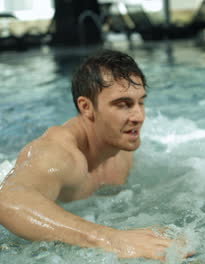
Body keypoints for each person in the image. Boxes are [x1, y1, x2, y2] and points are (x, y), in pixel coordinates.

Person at [0, 50, 177, 260]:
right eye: (123, 104)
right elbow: (8, 200)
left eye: (141, 102)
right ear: (86, 107)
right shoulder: (59, 153)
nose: (139, 116)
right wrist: (111, 239)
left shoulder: (120, 145)